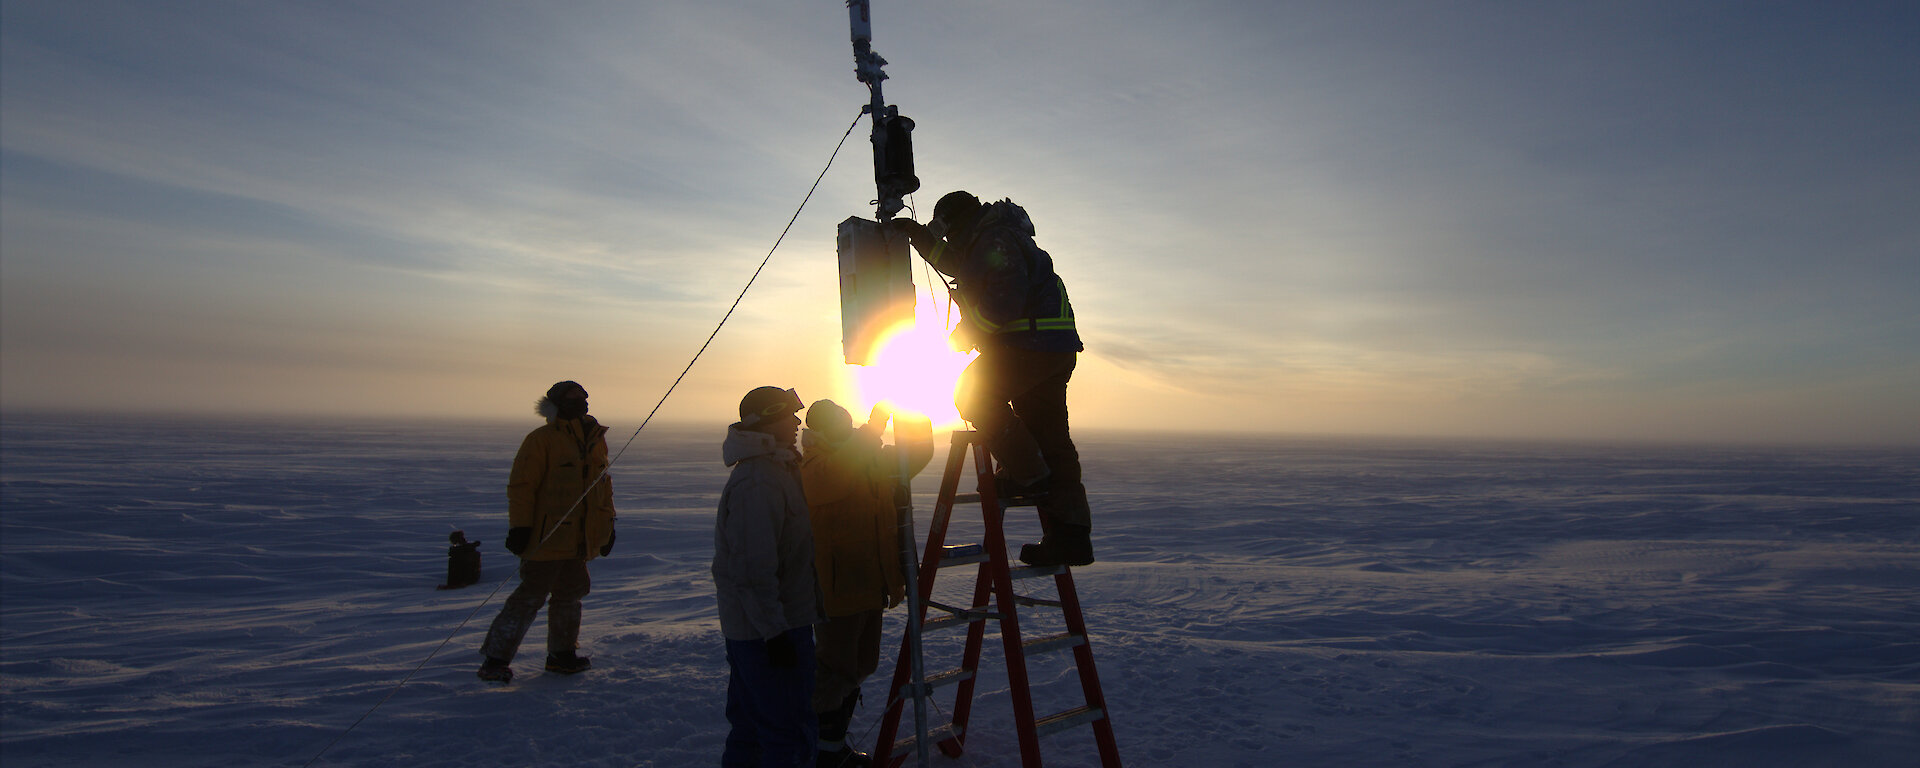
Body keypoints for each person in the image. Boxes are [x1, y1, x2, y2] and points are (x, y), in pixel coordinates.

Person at [892, 190, 1093, 566]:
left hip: (1029, 346)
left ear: (959, 224)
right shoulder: (989, 237)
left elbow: (1004, 302)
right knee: (1050, 437)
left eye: (947, 233)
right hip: (1052, 348)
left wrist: (966, 335)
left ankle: (1029, 477)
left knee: (971, 395)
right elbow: (958, 264)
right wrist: (919, 236)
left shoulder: (994, 239)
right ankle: (1071, 537)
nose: (949, 241)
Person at [799, 400, 933, 767]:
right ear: (822, 431)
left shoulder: (865, 459)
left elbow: (914, 458)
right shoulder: (813, 465)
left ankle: (832, 744)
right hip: (838, 590)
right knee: (834, 669)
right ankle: (820, 751)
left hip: (871, 583)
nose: (847, 428)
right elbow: (837, 478)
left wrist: (916, 414)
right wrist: (872, 431)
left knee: (860, 665)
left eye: (847, 421)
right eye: (838, 424)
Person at [476, 380, 617, 683]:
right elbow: (522, 487)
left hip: (580, 540)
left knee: (571, 595)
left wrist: (608, 527)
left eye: (583, 397)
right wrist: (521, 528)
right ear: (556, 404)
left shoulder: (594, 439)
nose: (580, 403)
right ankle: (496, 659)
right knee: (528, 597)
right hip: (546, 539)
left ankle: (562, 655)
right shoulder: (541, 440)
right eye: (572, 399)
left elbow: (602, 488)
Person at [714, 386, 821, 768]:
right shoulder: (759, 482)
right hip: (770, 631)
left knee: (752, 728)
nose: (796, 422)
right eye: (788, 415)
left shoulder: (777, 470)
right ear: (764, 421)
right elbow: (751, 570)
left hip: (765, 626)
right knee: (786, 731)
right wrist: (775, 634)